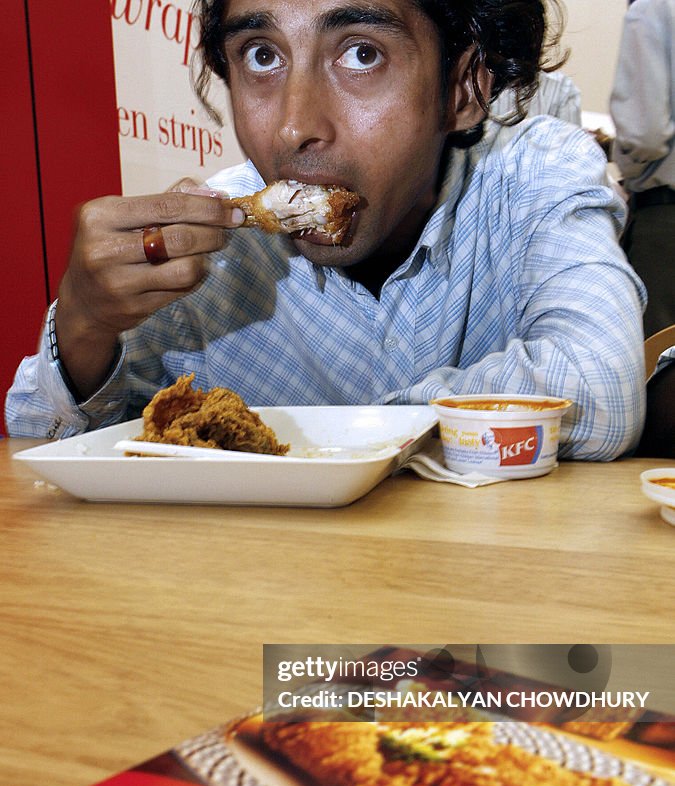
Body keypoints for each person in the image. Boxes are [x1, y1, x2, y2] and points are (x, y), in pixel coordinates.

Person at [5, 0, 646, 461]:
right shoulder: (205, 257)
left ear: (464, 86)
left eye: (361, 54)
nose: (292, 126)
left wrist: (345, 439)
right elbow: (39, 449)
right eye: (262, 56)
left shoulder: (535, 172)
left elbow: (601, 392)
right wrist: (84, 328)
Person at [610, 0, 675, 340]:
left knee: (659, 361)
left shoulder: (652, 7)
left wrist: (624, 162)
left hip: (666, 221)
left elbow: (644, 134)